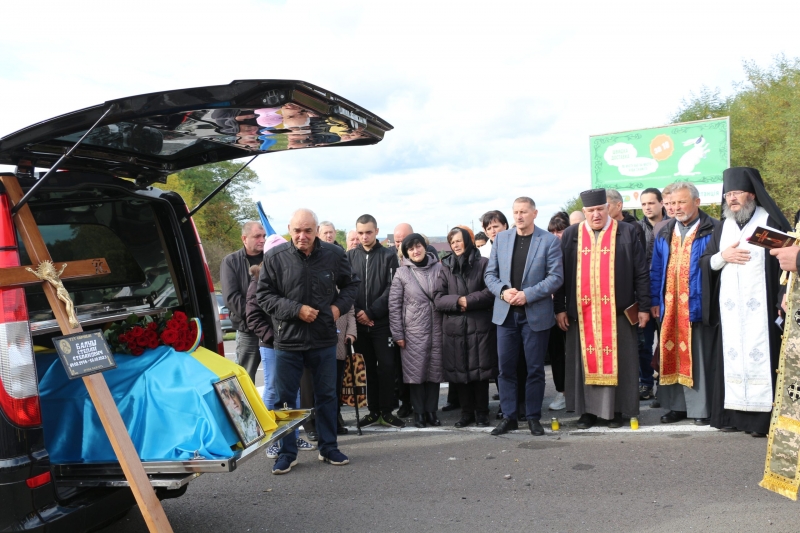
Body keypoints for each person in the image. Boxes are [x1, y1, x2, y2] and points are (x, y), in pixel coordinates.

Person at [257, 208, 359, 474]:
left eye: (308, 230)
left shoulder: (335, 255)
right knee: (284, 400)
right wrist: (295, 309)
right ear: (289, 229)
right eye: (297, 230)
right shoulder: (275, 257)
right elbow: (264, 295)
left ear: (316, 230)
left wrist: (337, 309)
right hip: (288, 341)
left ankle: (328, 448)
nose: (302, 236)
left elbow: (351, 285)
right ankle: (287, 452)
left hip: (324, 339)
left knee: (326, 395)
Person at [701, 167, 792, 437]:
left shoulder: (770, 223)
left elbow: (785, 262)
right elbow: (706, 262)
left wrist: (780, 297)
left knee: (762, 356)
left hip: (761, 309)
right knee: (730, 358)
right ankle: (731, 415)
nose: (731, 199)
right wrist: (723, 256)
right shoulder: (723, 227)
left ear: (752, 194)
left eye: (737, 193)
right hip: (730, 311)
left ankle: (762, 421)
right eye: (728, 194)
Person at [555, 189, 650, 429]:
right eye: (590, 211)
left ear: (609, 208)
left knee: (621, 361)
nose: (596, 215)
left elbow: (641, 272)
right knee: (582, 362)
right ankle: (586, 412)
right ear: (584, 212)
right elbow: (562, 275)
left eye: (600, 209)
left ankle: (616, 411)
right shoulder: (571, 235)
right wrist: (560, 308)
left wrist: (645, 307)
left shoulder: (627, 231)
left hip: (618, 313)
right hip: (582, 315)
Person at [485, 197, 563, 436]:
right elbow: (490, 274)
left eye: (524, 212)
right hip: (506, 316)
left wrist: (527, 295)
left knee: (535, 369)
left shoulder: (548, 241)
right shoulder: (502, 239)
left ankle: (532, 417)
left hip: (535, 315)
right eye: (516, 212)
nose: (519, 216)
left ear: (534, 213)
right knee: (505, 369)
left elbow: (555, 277)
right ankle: (508, 416)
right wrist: (502, 291)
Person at [650, 182, 721, 425]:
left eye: (682, 202)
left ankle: (700, 409)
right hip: (669, 306)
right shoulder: (665, 230)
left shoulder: (714, 229)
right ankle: (676, 407)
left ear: (697, 202)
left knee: (697, 356)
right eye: (673, 202)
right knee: (669, 352)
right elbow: (657, 268)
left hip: (699, 304)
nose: (676, 207)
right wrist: (654, 301)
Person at [434, 227, 497, 427]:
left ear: (468, 241)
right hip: (454, 328)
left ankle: (482, 412)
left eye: (459, 241)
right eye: (452, 242)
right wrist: (457, 302)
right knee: (460, 373)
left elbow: (490, 292)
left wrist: (467, 301)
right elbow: (438, 298)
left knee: (480, 372)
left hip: (479, 325)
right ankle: (466, 413)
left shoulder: (483, 263)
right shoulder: (445, 267)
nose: (456, 245)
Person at [347, 215, 405, 428]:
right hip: (360, 324)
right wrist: (359, 313)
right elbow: (347, 288)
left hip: (381, 323)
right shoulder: (349, 256)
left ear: (376, 231)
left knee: (387, 367)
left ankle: (388, 410)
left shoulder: (389, 255)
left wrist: (371, 312)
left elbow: (392, 288)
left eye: (368, 232)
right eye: (360, 233)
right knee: (367, 368)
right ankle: (373, 411)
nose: (364, 236)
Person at [389, 234, 444, 428]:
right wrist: (398, 334)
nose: (415, 251)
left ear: (424, 247)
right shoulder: (402, 273)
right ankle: (419, 413)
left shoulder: (440, 268)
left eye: (418, 246)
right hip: (412, 332)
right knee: (416, 374)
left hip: (437, 329)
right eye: (410, 249)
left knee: (435, 373)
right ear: (406, 253)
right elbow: (394, 306)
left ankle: (432, 412)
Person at [221, 221, 266, 383]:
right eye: (257, 236)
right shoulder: (231, 261)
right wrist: (257, 319)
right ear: (244, 238)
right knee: (245, 377)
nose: (262, 240)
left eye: (264, 236)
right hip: (248, 330)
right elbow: (231, 297)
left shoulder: (272, 258)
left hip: (273, 329)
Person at [636, 187, 668, 401]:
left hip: (667, 293)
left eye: (651, 203)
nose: (647, 207)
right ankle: (646, 383)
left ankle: (665, 387)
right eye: (644, 204)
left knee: (667, 342)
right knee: (644, 344)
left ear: (661, 203)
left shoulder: (672, 225)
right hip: (643, 295)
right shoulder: (635, 228)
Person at [546, 214, 569, 410]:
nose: (556, 235)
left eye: (560, 230)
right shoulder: (548, 251)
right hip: (552, 309)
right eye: (552, 231)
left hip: (576, 310)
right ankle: (562, 392)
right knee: (557, 354)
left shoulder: (576, 250)